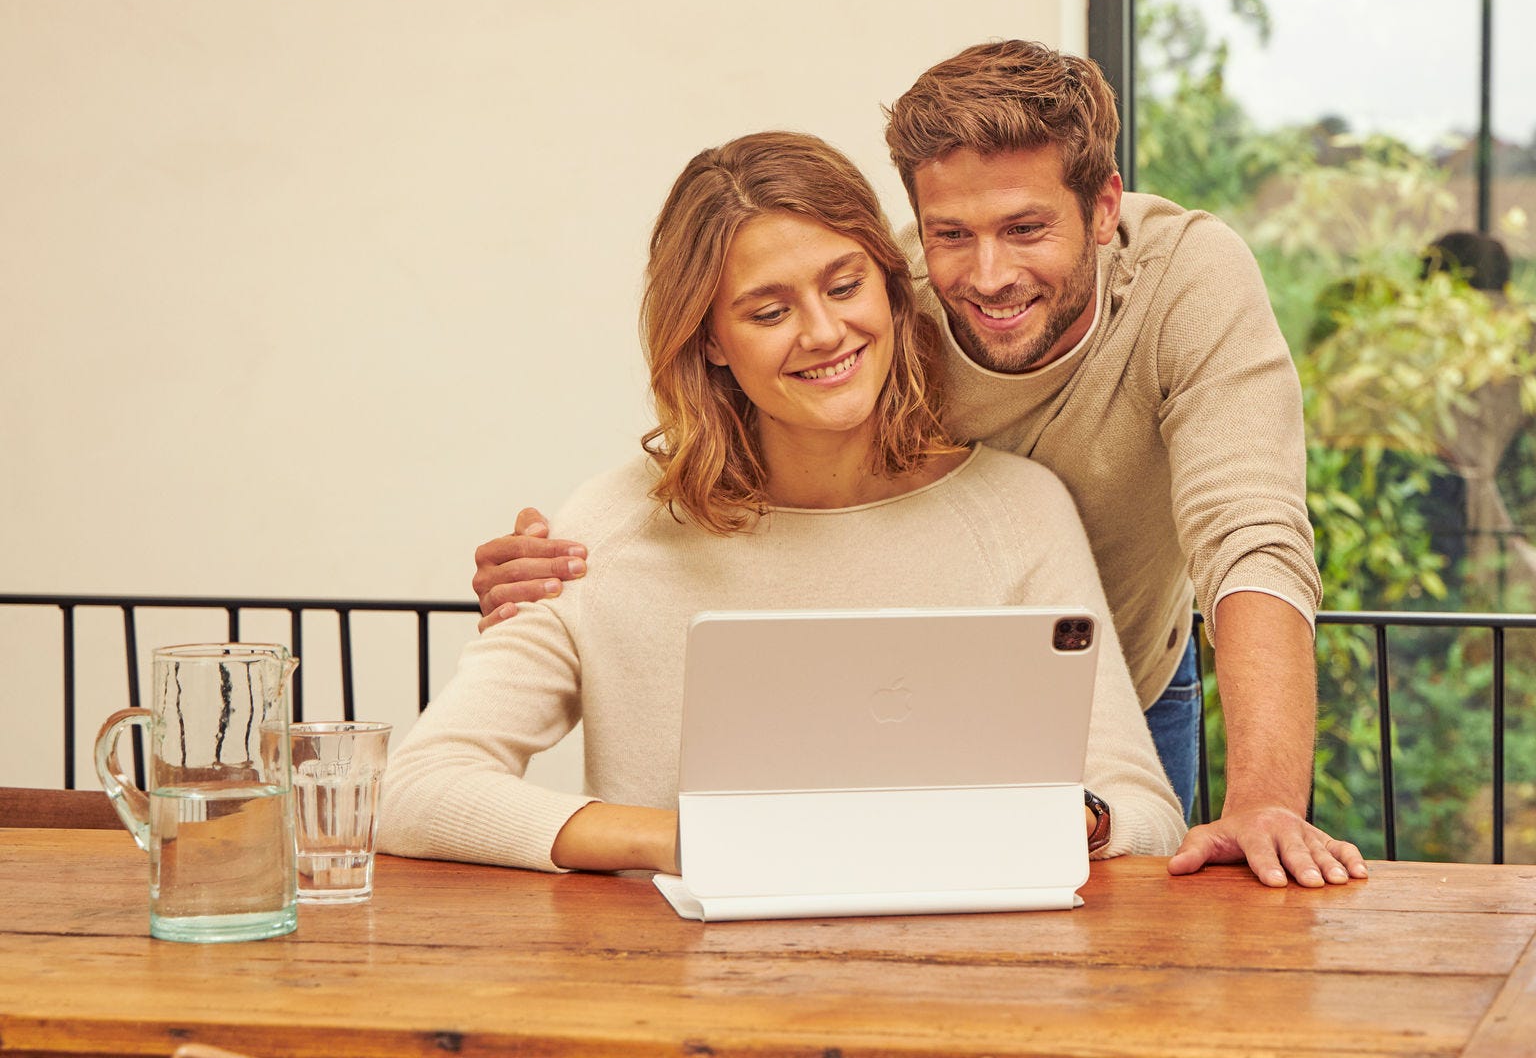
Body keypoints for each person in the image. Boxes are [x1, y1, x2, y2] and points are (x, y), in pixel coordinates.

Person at [471, 41, 1368, 889]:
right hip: (897, 700)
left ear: (1102, 208)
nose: (987, 275)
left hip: (1117, 670)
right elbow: (748, 422)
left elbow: (1250, 532)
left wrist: (1261, 803)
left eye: (1025, 228)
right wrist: (584, 553)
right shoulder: (875, 300)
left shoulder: (1188, 284)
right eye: (950, 235)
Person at [382, 132, 1185, 873]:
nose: (825, 332)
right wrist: (692, 841)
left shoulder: (1018, 512)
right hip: (685, 996)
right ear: (708, 340)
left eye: (845, 286)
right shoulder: (609, 531)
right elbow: (416, 790)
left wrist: (1042, 822)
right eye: (768, 312)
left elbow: (1146, 812)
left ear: (892, 291)